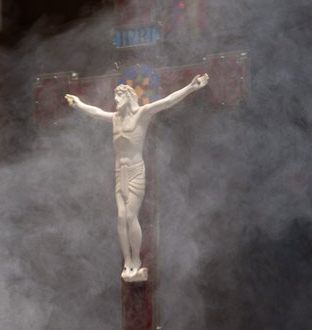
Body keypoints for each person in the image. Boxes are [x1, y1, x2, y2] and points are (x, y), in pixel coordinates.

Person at [66, 73, 209, 282]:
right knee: (121, 217)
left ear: (129, 97)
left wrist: (190, 87)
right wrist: (79, 104)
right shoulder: (115, 118)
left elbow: (168, 101)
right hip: (119, 172)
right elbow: (96, 112)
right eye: (115, 98)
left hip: (135, 171)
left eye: (119, 97)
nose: (116, 102)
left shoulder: (143, 113)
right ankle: (128, 261)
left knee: (131, 216)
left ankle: (136, 259)